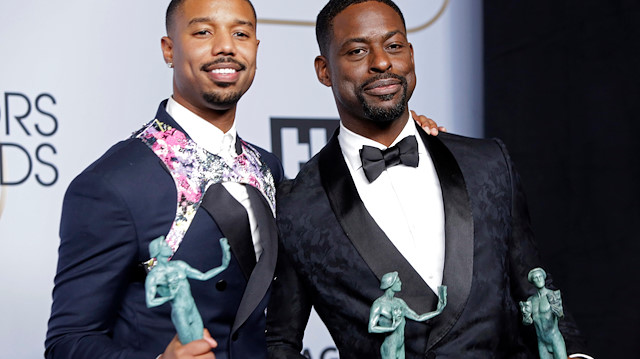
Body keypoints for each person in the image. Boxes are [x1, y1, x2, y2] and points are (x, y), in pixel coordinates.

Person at [44, 0, 440, 358]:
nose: (226, 47)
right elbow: (68, 340)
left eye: (241, 33)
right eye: (203, 32)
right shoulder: (111, 184)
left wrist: (413, 134)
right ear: (169, 50)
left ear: (255, 49)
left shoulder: (267, 167)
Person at [266, 0, 588, 358]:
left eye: (394, 46)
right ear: (325, 70)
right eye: (358, 51)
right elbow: (280, 341)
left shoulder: (488, 163)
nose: (382, 62)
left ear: (411, 54)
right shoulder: (295, 206)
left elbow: (535, 287)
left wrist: (573, 353)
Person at [368, 272, 446, 359]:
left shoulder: (400, 302)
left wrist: (437, 311)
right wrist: (391, 328)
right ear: (390, 284)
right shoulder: (378, 304)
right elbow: (371, 328)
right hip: (390, 347)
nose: (400, 283)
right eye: (398, 281)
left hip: (401, 345)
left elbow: (418, 317)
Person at [520, 268, 568, 359]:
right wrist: (526, 316)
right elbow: (527, 322)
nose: (539, 279)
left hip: (554, 339)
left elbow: (561, 316)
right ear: (532, 282)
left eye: (540, 276)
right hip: (541, 341)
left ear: (544, 278)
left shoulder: (552, 295)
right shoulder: (530, 300)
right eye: (536, 278)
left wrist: (559, 311)